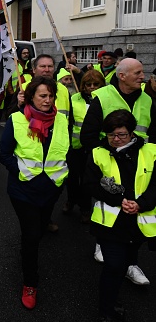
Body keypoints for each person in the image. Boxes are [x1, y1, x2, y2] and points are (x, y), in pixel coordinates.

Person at [0, 76, 69, 310]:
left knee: (38, 231)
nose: (47, 100)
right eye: (42, 96)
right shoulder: (16, 120)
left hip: (51, 189)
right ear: (31, 97)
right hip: (23, 190)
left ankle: (33, 243)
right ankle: (30, 283)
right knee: (30, 236)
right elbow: (4, 154)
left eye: (51, 96)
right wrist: (20, 170)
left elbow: (64, 150)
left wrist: (60, 179)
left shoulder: (61, 119)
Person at [83, 110, 156, 322]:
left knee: (123, 264)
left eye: (121, 135)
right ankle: (105, 310)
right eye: (111, 135)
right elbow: (90, 184)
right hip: (111, 222)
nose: (116, 140)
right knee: (113, 265)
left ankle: (112, 301)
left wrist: (140, 204)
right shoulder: (98, 153)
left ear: (131, 133)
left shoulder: (151, 151)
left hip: (138, 222)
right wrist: (119, 200)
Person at [63, 70, 106, 223]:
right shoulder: (74, 99)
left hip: (95, 147)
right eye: (88, 84)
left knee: (88, 180)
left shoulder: (106, 100)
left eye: (96, 84)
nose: (92, 87)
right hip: (75, 147)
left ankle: (85, 208)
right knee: (72, 178)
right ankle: (71, 200)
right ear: (83, 85)